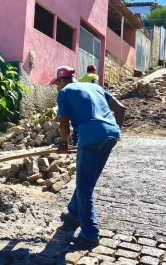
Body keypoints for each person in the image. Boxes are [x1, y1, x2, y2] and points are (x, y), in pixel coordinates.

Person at [50, 66, 126, 247]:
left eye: (57, 84)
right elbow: (121, 109)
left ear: (62, 80)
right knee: (87, 181)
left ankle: (89, 234)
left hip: (90, 138)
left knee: (84, 186)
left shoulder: (64, 93)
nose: (57, 87)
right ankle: (74, 212)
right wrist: (115, 133)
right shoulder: (96, 87)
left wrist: (63, 143)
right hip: (111, 135)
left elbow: (64, 126)